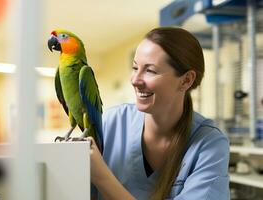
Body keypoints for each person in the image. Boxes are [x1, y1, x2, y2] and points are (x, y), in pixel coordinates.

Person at [89, 27, 230, 200]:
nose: (135, 80)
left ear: (186, 80)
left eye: (150, 70)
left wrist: (101, 176)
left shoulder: (209, 144)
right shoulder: (110, 123)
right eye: (135, 68)